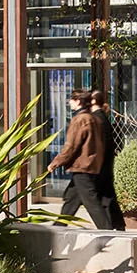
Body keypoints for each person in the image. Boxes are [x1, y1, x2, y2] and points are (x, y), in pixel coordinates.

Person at [52, 90, 112, 229]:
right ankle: (58, 226)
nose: (69, 102)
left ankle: (107, 230)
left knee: (91, 202)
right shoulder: (94, 118)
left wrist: (56, 162)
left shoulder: (80, 120)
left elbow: (71, 145)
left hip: (82, 166)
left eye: (72, 99)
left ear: (78, 101)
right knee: (71, 199)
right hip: (90, 165)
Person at [90, 90, 127, 230]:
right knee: (107, 196)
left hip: (101, 165)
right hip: (105, 163)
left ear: (93, 102)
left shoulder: (97, 118)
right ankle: (117, 224)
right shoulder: (102, 117)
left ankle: (109, 226)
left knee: (103, 197)